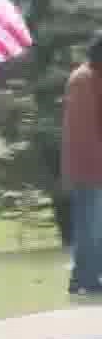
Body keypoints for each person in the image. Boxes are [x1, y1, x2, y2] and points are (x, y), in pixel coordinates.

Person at [63, 37, 102, 296]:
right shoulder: (86, 80)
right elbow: (87, 131)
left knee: (91, 226)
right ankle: (84, 279)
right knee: (91, 226)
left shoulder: (89, 77)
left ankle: (87, 277)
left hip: (89, 166)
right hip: (90, 168)